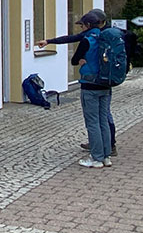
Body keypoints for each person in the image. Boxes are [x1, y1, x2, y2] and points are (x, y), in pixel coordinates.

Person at [36, 9, 118, 168]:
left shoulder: (87, 40)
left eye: (82, 26)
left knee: (92, 122)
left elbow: (74, 60)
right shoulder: (106, 36)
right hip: (106, 84)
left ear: (88, 25)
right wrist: (50, 41)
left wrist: (80, 59)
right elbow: (71, 37)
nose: (81, 29)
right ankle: (106, 156)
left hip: (90, 85)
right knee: (103, 121)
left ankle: (96, 158)